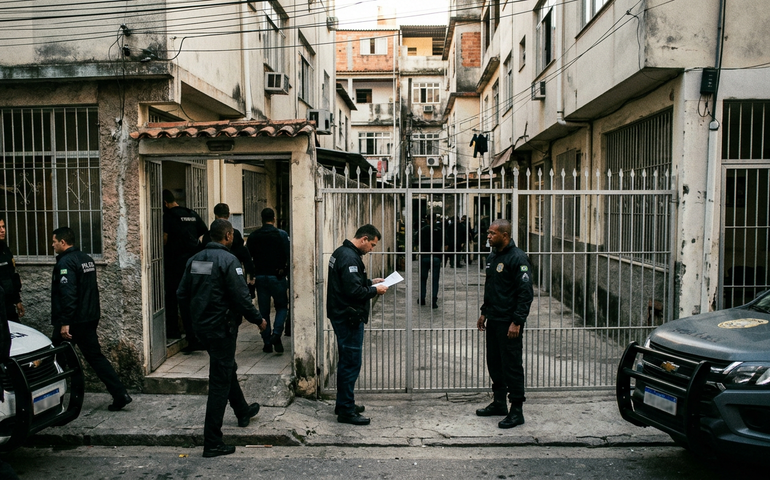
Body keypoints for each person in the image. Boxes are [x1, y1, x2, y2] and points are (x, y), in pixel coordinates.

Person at [177, 219, 267, 458]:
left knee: (226, 366)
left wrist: (197, 315)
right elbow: (240, 297)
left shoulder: (194, 260)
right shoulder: (229, 260)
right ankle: (212, 441)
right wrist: (258, 319)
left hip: (202, 329)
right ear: (228, 236)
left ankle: (242, 410)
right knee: (219, 380)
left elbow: (182, 293)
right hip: (222, 328)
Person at [50, 227, 132, 412]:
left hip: (73, 321)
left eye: (54, 241)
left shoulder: (66, 263)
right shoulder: (86, 259)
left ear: (63, 242)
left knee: (56, 359)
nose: (52, 245)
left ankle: (53, 401)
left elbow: (68, 295)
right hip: (89, 318)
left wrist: (65, 323)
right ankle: (120, 394)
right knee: (95, 358)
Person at [327, 224, 387, 425]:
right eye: (371, 245)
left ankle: (344, 403)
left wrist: (370, 282)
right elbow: (353, 291)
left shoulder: (342, 253)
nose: (371, 249)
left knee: (346, 361)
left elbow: (350, 283)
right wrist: (374, 291)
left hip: (343, 315)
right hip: (348, 317)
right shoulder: (350, 257)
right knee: (350, 363)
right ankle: (345, 410)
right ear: (363, 239)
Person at [475, 219, 534, 429]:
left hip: (510, 323)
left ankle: (516, 410)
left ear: (505, 235)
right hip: (494, 319)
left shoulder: (518, 258)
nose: (488, 236)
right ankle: (499, 402)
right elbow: (491, 287)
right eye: (488, 233)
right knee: (495, 363)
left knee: (512, 366)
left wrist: (517, 322)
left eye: (492, 233)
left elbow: (525, 293)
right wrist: (484, 313)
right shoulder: (493, 256)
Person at [162, 189, 208, 349]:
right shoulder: (191, 213)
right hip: (195, 263)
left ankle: (175, 331)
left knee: (174, 297)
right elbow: (204, 233)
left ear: (165, 204)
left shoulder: (168, 216)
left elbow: (164, 239)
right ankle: (196, 336)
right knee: (195, 299)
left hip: (176, 264)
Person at [246, 207, 290, 354]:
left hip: (260, 277)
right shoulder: (282, 235)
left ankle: (267, 343)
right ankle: (276, 334)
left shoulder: (253, 236)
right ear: (274, 219)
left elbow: (248, 258)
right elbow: (289, 254)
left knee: (264, 311)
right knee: (282, 306)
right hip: (277, 277)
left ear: (261, 219)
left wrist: (251, 276)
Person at [0, 218, 24, 322]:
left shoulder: (4, 248)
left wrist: (17, 300)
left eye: (3, 227)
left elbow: (11, 276)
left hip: (8, 302)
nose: (2, 230)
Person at [419, 214, 444, 309]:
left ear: (427, 220)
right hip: (436, 257)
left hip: (424, 256)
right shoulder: (439, 230)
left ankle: (422, 298)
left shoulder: (423, 230)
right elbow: (445, 244)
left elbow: (417, 241)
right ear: (436, 219)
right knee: (435, 280)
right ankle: (433, 300)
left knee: (423, 279)